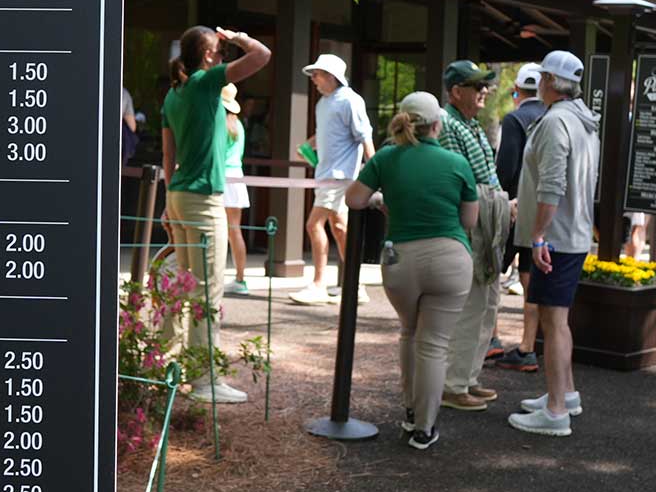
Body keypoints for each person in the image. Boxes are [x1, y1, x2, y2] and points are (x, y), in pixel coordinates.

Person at [346, 92, 478, 450]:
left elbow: (354, 199)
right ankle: (424, 426)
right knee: (434, 343)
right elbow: (469, 220)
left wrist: (380, 200)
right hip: (450, 258)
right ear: (437, 125)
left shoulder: (387, 158)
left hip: (401, 259)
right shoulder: (456, 163)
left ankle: (408, 409)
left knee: (409, 331)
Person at [160, 25, 272, 403]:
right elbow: (262, 56)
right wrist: (240, 36)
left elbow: (167, 157)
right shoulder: (207, 83)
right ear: (208, 55)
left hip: (178, 194)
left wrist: (167, 202)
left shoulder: (173, 94)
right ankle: (206, 379)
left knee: (185, 285)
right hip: (204, 199)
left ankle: (171, 363)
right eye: (219, 51)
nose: (224, 56)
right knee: (206, 290)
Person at [508, 51, 600, 438]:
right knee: (557, 318)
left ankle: (556, 410)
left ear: (547, 80)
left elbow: (551, 185)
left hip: (555, 237)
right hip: (573, 233)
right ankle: (564, 394)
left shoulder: (556, 122)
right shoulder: (582, 119)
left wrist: (539, 235)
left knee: (554, 320)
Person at [436, 60, 511, 411]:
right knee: (472, 306)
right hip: (474, 224)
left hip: (489, 221)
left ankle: (468, 378)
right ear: (456, 91)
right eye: (475, 85)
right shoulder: (448, 123)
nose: (483, 91)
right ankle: (453, 384)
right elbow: (460, 180)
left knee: (487, 304)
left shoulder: (471, 124)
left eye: (483, 85)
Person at [291, 54, 375, 305]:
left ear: (331, 76)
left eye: (317, 74)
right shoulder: (323, 103)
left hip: (339, 177)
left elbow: (364, 135)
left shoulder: (350, 101)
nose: (313, 79)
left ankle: (319, 284)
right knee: (340, 230)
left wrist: (375, 168)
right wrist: (308, 145)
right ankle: (355, 285)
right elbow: (325, 133)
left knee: (313, 225)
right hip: (327, 175)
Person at [492, 63, 547, 372]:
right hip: (541, 209)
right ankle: (528, 345)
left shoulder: (515, 119)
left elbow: (507, 167)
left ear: (518, 91)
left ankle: (491, 339)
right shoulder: (549, 117)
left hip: (513, 206)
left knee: (490, 272)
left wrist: (499, 198)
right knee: (529, 276)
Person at [219, 84, 251, 294]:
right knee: (234, 230)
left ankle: (215, 276)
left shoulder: (219, 124)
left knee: (218, 230)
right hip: (237, 177)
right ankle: (241, 278)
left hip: (221, 177)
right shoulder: (238, 125)